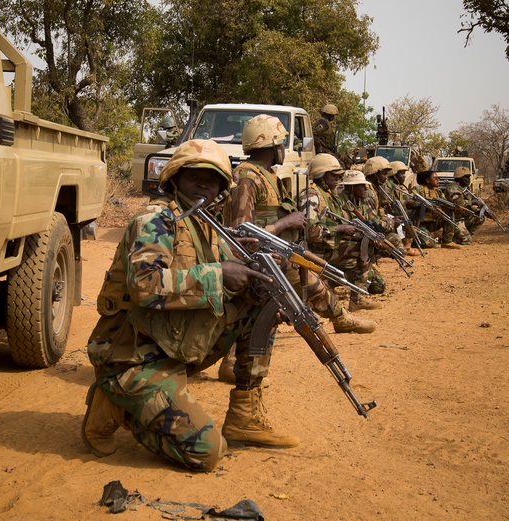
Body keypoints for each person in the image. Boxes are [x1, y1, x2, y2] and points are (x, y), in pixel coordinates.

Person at [83, 139, 300, 473]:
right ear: (174, 178)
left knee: (260, 307)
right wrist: (218, 274)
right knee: (208, 453)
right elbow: (144, 285)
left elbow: (225, 276)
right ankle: (114, 407)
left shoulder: (203, 222)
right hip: (130, 356)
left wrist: (258, 280)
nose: (203, 184)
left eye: (212, 179)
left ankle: (245, 415)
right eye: (194, 176)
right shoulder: (156, 220)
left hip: (168, 343)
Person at [225, 114, 373, 332]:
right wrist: (285, 223)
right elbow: (241, 233)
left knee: (255, 317)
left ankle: (340, 317)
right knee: (311, 289)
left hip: (278, 252)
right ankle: (340, 318)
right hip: (263, 258)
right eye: (282, 143)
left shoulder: (269, 175)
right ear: (272, 144)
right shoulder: (247, 178)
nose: (285, 148)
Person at [300, 154, 386, 305]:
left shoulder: (331, 196)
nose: (337, 178)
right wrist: (339, 229)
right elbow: (310, 232)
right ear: (321, 175)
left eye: (338, 175)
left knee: (365, 246)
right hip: (313, 251)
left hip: (328, 248)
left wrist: (364, 235)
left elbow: (345, 223)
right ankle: (350, 296)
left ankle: (356, 298)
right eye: (333, 175)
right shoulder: (312, 195)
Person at [449, 166, 485, 243]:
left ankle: (464, 234)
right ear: (459, 178)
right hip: (454, 219)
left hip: (462, 216)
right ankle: (454, 238)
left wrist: (480, 210)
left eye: (469, 177)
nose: (468, 179)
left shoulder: (463, 188)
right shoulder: (453, 188)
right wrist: (473, 202)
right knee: (467, 241)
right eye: (466, 177)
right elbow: (458, 202)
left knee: (480, 217)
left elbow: (468, 205)